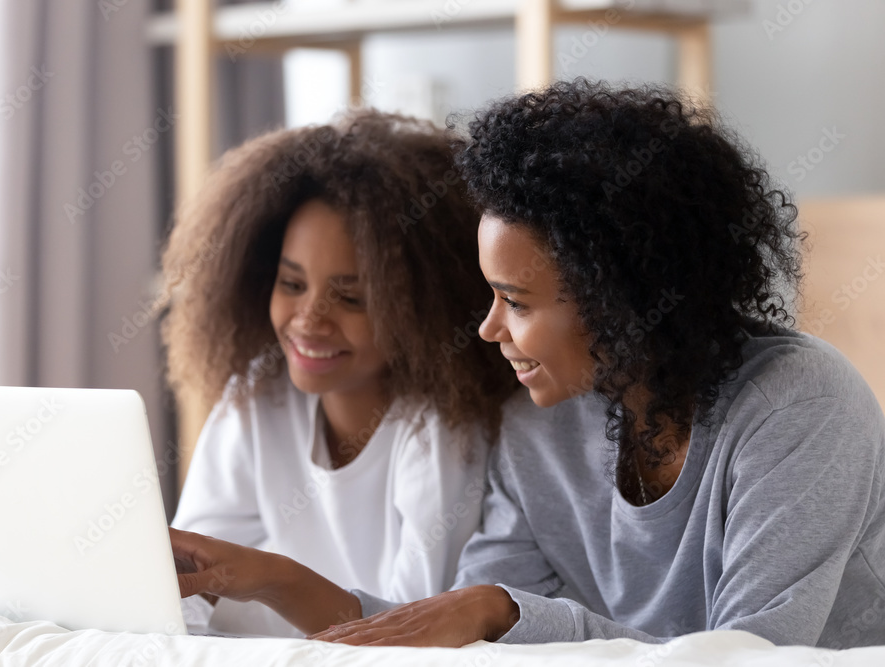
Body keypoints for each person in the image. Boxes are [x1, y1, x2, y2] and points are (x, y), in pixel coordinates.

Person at [173, 79, 885, 648]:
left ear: (619, 300)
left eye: (514, 300)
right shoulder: (534, 425)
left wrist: (510, 613)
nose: (488, 329)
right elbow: (453, 628)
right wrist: (261, 576)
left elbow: (748, 652)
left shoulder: (799, 403)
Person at [161, 108, 518, 637]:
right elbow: (187, 592)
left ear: (421, 307)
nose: (309, 321)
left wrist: (269, 584)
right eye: (291, 284)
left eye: (350, 297)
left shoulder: (440, 426)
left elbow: (412, 627)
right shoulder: (258, 394)